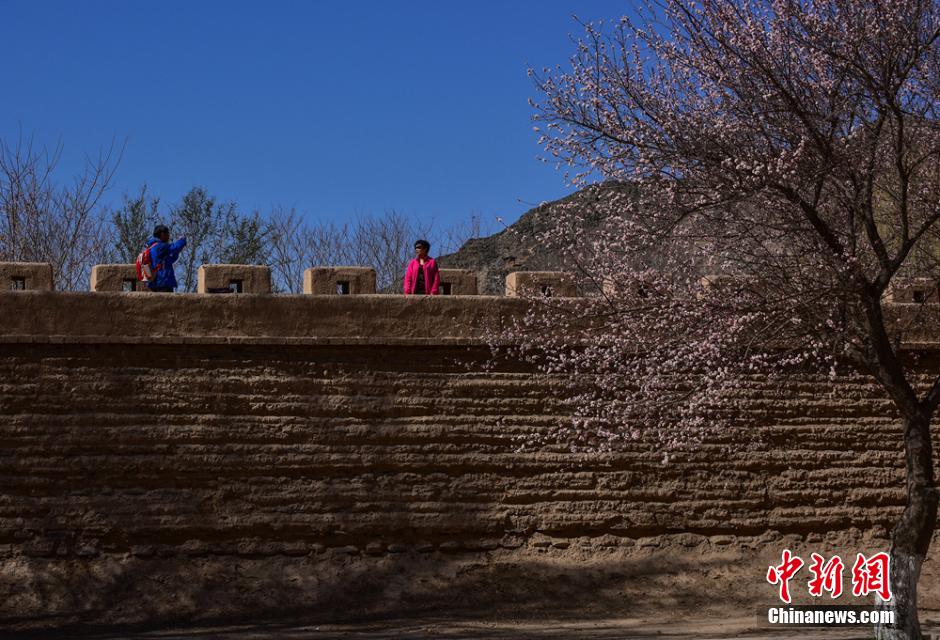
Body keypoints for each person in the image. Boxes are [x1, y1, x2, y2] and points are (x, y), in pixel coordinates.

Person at [144, 225, 187, 292]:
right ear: (162, 234)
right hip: (162, 282)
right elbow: (173, 247)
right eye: (167, 233)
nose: (168, 236)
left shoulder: (153, 247)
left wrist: (177, 252)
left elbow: (169, 260)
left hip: (156, 282)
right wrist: (182, 240)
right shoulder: (160, 246)